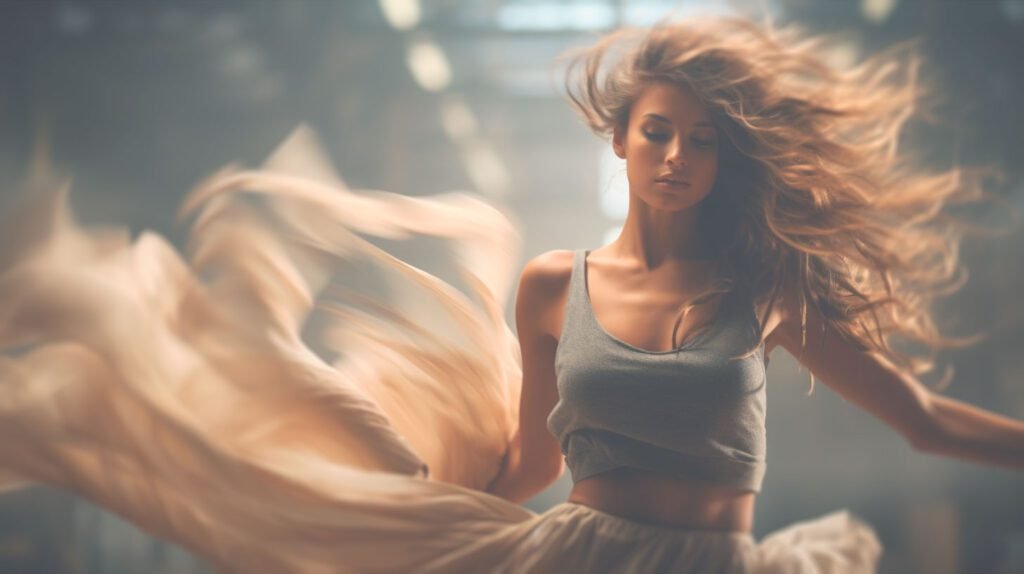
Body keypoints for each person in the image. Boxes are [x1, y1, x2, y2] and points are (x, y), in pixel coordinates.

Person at [0, 14, 1020, 574]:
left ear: (726, 160)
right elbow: (535, 458)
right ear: (620, 138)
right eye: (658, 130)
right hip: (573, 559)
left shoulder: (767, 292)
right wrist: (413, 520)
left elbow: (921, 422)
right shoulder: (550, 289)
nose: (676, 156)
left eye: (703, 140)